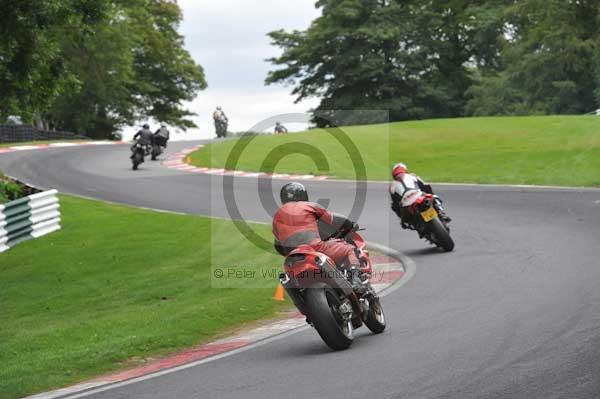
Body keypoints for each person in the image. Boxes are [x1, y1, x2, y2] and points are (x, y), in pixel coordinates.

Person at [272, 182, 368, 293]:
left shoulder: (276, 216)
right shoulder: (309, 206)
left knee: (288, 280)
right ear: (304, 195)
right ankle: (356, 280)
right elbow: (333, 219)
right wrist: (350, 224)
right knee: (349, 249)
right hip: (316, 249)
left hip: (293, 259)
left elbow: (278, 245)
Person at [389, 163, 451, 229]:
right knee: (435, 198)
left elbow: (395, 205)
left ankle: (419, 225)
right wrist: (430, 194)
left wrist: (401, 219)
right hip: (418, 196)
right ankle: (441, 214)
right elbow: (426, 186)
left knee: (406, 220)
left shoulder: (392, 186)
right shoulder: (412, 176)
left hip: (407, 204)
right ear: (405, 170)